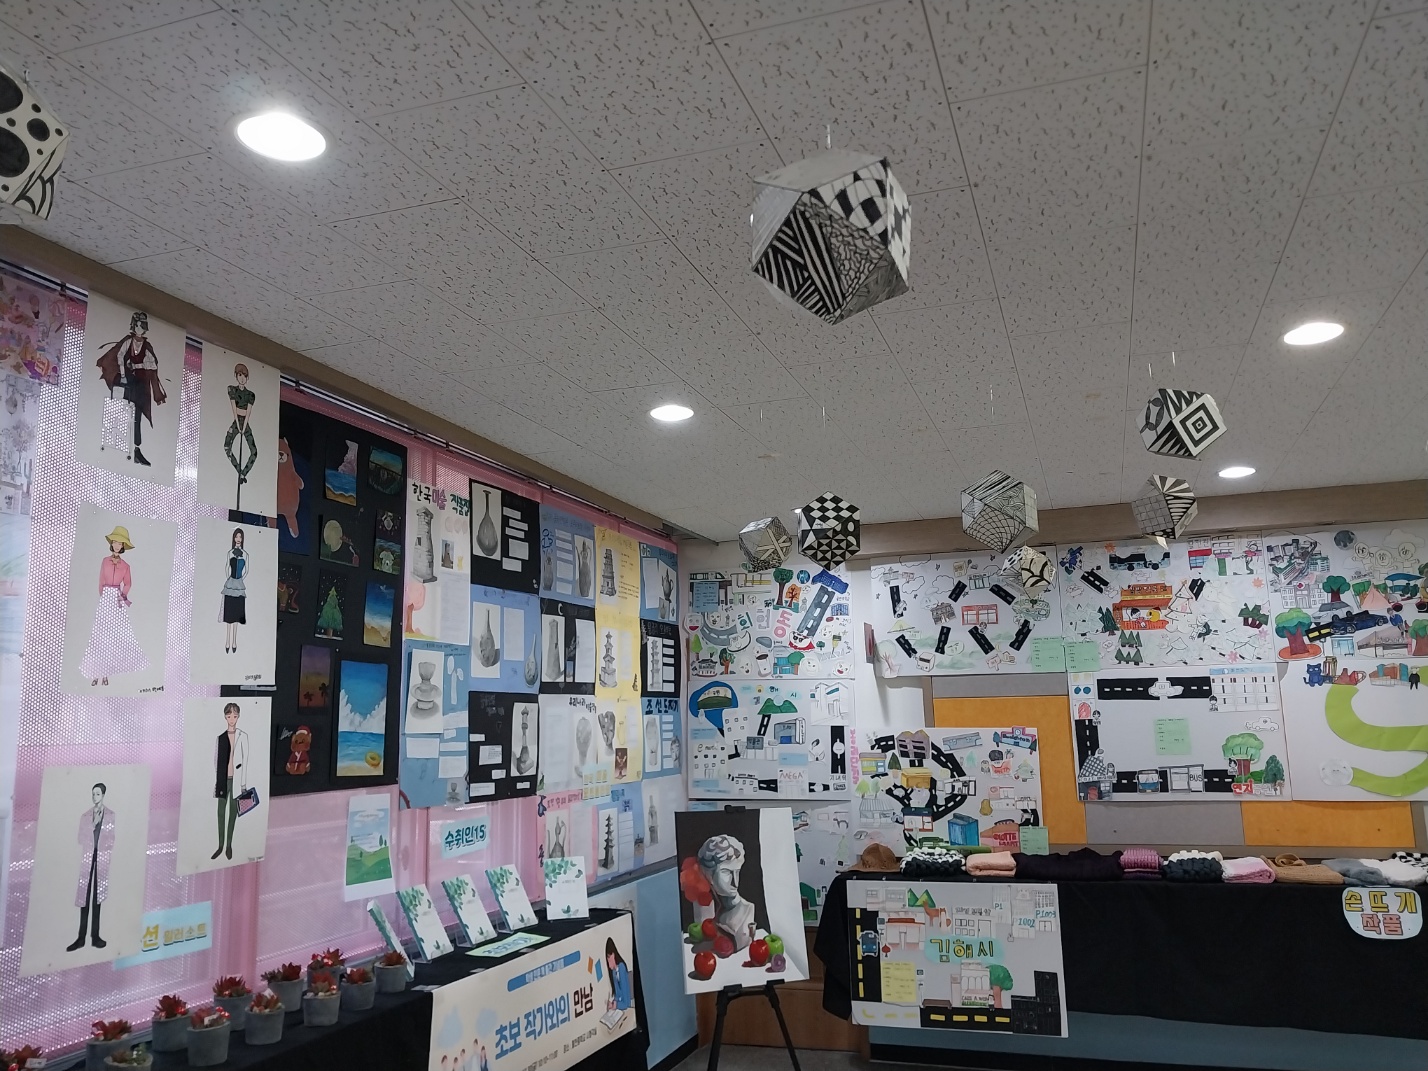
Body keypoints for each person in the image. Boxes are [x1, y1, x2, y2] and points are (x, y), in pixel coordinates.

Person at [78, 525, 148, 686]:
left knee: (114, 636)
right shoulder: (104, 561)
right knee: (100, 635)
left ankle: (106, 673)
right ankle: (95, 672)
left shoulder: (126, 566)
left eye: (120, 543)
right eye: (115, 542)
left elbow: (128, 583)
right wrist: (104, 596)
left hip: (117, 599)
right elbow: (101, 581)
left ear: (123, 546)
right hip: (105, 599)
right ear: (112, 543)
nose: (117, 545)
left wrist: (122, 596)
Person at [96, 310, 167, 467]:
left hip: (141, 383)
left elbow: (152, 365)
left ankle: (136, 449)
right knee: (126, 412)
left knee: (137, 415)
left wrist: (143, 366)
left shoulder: (147, 346)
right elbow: (120, 356)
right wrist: (123, 374)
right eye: (137, 325)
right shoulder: (128, 342)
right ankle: (122, 446)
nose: (139, 328)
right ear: (133, 326)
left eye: (142, 326)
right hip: (129, 380)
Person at [69, 782, 115, 951]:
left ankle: (95, 936)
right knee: (85, 897)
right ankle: (81, 938)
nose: (95, 797)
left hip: (102, 857)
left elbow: (111, 838)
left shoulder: (110, 815)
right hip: (88, 857)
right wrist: (93, 826)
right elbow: (80, 838)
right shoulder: (86, 816)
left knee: (97, 897)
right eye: (93, 794)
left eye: (98, 794)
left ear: (103, 795)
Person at [212, 703, 249, 860]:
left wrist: (243, 784)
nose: (232, 719)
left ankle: (229, 845)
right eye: (229, 716)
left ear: (238, 716)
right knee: (220, 812)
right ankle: (220, 845)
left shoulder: (243, 736)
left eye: (234, 716)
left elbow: (245, 761)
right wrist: (217, 779)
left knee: (233, 813)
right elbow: (216, 760)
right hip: (223, 779)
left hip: (236, 780)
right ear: (225, 717)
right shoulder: (220, 738)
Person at [223, 362, 257, 500]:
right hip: (237, 422)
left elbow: (248, 412)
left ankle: (243, 473)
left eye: (244, 376)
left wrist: (244, 427)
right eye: (240, 375)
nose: (242, 378)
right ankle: (239, 471)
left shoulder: (250, 394)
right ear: (236, 376)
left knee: (254, 451)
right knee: (227, 446)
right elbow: (234, 408)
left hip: (245, 423)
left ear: (247, 378)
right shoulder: (232, 390)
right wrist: (238, 424)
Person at [222, 527, 248, 654]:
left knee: (237, 613)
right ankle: (227, 641)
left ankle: (234, 642)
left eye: (240, 537)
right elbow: (227, 567)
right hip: (230, 584)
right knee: (229, 613)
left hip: (239, 585)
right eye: (236, 536)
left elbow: (247, 570)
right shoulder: (230, 553)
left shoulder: (246, 554)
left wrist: (240, 580)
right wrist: (230, 579)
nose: (238, 539)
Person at [605, 938, 632, 1012]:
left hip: (627, 1007)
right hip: (620, 1007)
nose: (608, 962)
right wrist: (613, 1003)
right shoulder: (614, 972)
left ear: (613, 955)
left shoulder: (621, 968)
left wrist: (616, 1005)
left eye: (609, 957)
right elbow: (617, 994)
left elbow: (626, 1002)